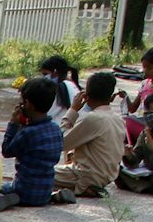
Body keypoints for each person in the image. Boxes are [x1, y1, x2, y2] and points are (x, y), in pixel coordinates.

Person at [0, 77, 63, 212]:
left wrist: (13, 124)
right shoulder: (56, 129)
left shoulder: (28, 133)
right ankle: (54, 196)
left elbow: (7, 151)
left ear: (28, 104)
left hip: (24, 190)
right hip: (46, 189)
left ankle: (12, 198)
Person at [54, 71, 126, 200]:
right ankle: (83, 187)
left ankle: (82, 187)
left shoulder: (93, 118)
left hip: (87, 176)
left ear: (86, 96)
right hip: (106, 177)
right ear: (111, 97)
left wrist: (73, 110)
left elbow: (61, 143)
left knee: (36, 173)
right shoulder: (118, 119)